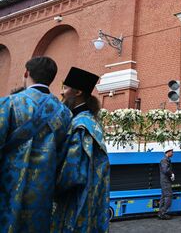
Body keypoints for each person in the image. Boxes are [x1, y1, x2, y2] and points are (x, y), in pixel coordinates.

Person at [0, 56, 72, 232]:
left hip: (6, 189)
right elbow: (65, 157)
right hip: (43, 194)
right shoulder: (65, 113)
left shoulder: (9, 103)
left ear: (26, 73)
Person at [52, 67, 110, 232]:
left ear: (77, 92)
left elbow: (71, 172)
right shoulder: (89, 121)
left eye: (65, 88)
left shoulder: (81, 125)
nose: (62, 93)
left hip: (75, 200)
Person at [159, 146, 175, 219]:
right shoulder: (164, 160)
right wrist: (171, 174)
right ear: (168, 152)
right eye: (172, 151)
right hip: (165, 181)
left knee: (163, 196)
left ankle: (161, 213)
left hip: (165, 181)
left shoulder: (166, 160)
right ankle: (163, 212)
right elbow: (165, 170)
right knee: (169, 196)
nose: (173, 153)